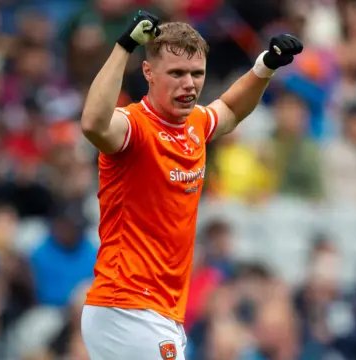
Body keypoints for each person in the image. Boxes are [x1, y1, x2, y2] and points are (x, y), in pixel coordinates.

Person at [79, 10, 303, 360]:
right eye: (177, 73)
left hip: (159, 311)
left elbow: (229, 109)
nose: (189, 84)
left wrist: (264, 67)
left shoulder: (194, 124)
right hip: (127, 305)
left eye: (196, 74)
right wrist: (125, 46)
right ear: (149, 73)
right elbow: (94, 123)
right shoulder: (134, 126)